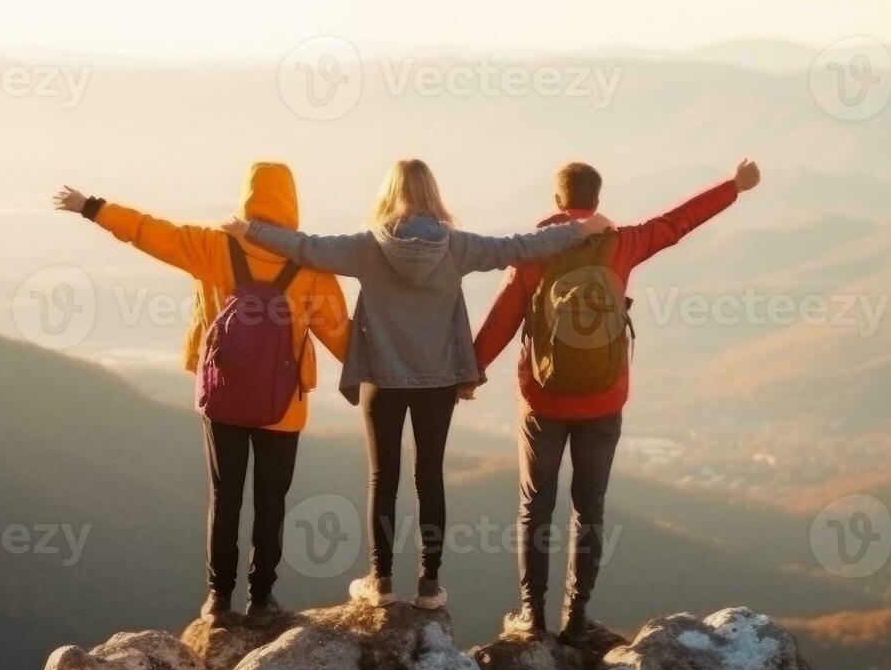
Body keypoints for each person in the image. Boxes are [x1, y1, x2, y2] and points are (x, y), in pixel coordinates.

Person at [223, 159, 613, 611]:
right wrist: (582, 229)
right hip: (438, 381)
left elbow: (305, 247)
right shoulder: (457, 246)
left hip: (383, 380)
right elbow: (520, 247)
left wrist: (249, 230)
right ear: (433, 193)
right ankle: (429, 585)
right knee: (429, 477)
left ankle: (382, 582)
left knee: (382, 478)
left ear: (390, 193)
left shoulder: (367, 248)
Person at [473, 158, 762, 643]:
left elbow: (501, 320)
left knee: (535, 508)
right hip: (604, 399)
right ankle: (576, 618)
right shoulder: (621, 243)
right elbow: (677, 223)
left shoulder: (532, 253)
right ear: (597, 200)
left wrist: (469, 374)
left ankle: (532, 616)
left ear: (558, 202)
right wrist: (733, 186)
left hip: (542, 401)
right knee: (589, 508)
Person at [54, 163, 351, 623]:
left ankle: (218, 598)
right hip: (283, 408)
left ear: (247, 198)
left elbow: (150, 232)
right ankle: (262, 599)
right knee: (271, 500)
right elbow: (342, 338)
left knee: (225, 494)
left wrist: (92, 207)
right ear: (291, 204)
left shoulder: (213, 246)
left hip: (224, 399)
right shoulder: (309, 268)